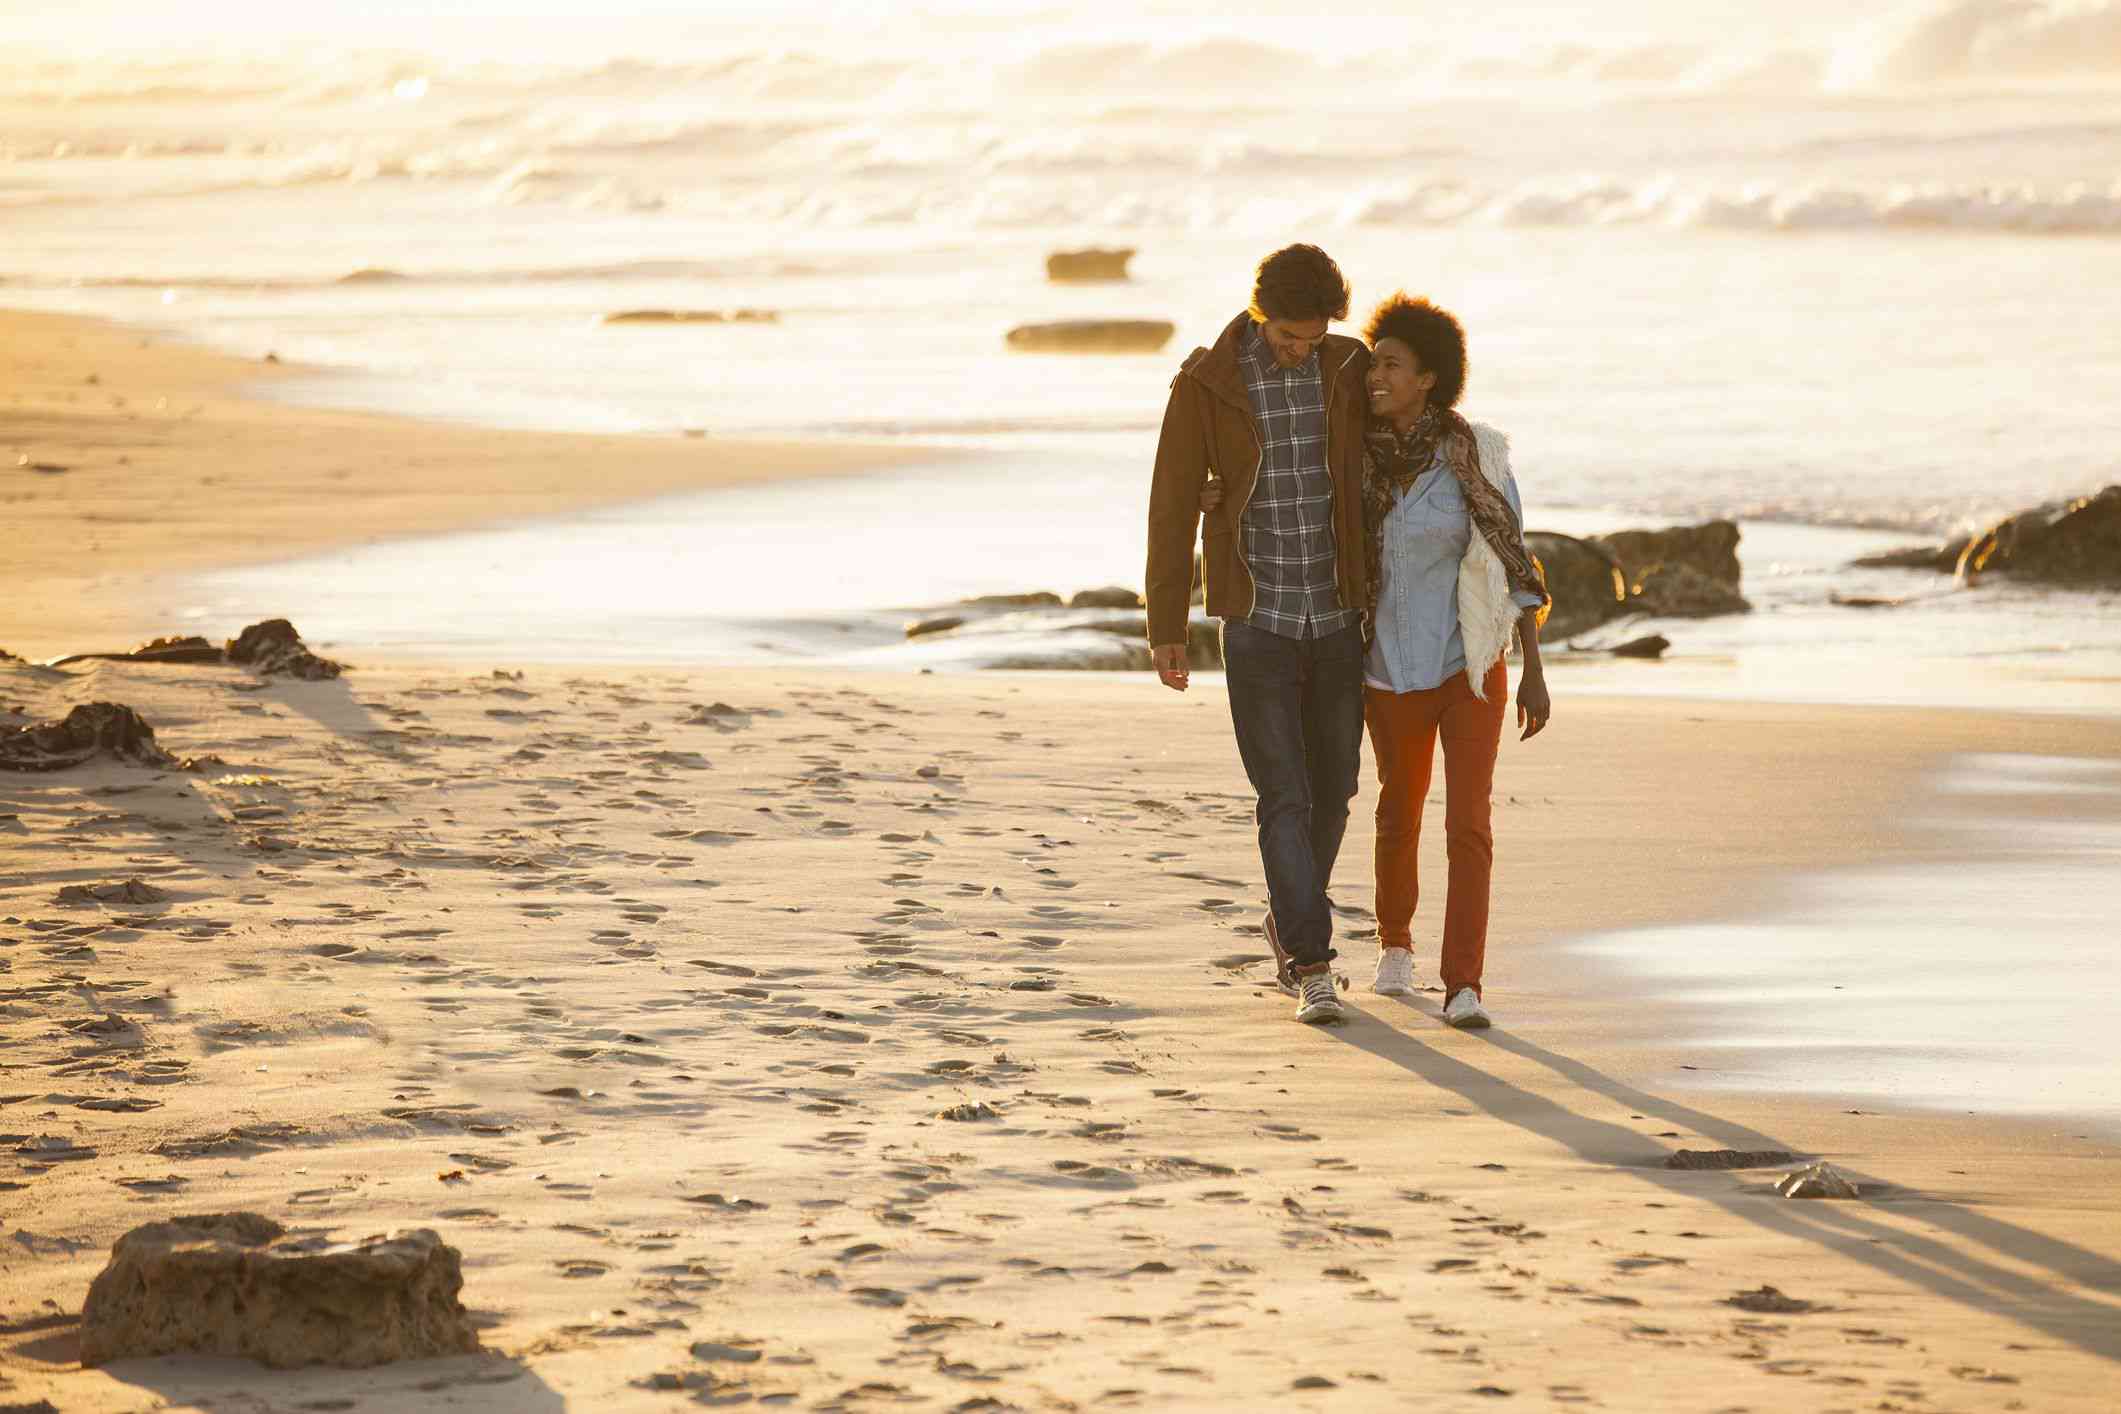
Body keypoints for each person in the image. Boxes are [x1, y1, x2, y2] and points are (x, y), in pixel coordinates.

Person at [1144, 244, 1372, 1026]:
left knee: (1335, 793)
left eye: (1310, 340)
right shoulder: (1206, 384)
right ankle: (1311, 962)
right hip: (1257, 619)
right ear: (1257, 313)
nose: (1299, 352)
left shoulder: (1347, 370)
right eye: (1286, 338)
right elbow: (1171, 505)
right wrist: (1166, 626)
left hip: (1341, 616)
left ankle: (1287, 914)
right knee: (1282, 794)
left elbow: (1396, 453)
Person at [1354, 294, 1551, 1028]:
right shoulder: (1350, 455)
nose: (1374, 376)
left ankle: (1463, 983)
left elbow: (1515, 562)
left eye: (1390, 365)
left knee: (1467, 822)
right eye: (1374, 363)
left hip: (1468, 666)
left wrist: (1532, 666)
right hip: (1386, 667)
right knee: (1396, 811)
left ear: (1428, 378)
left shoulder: (1479, 456)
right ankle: (1394, 945)